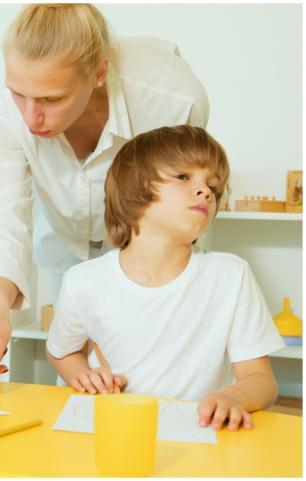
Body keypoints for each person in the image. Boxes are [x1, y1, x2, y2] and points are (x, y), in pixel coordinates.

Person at [0, 4, 209, 386]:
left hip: (153, 237)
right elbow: (5, 218)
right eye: (18, 94)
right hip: (63, 235)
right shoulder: (4, 116)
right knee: (79, 373)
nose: (31, 117)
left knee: (154, 364)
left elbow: (180, 199)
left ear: (99, 73)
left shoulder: (172, 99)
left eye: (51, 100)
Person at [47, 125, 283, 431]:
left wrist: (234, 395)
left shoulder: (230, 275)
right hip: (114, 429)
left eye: (213, 186)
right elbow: (62, 350)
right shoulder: (84, 281)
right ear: (134, 187)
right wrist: (82, 375)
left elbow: (261, 380)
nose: (205, 191)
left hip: (197, 438)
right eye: (184, 177)